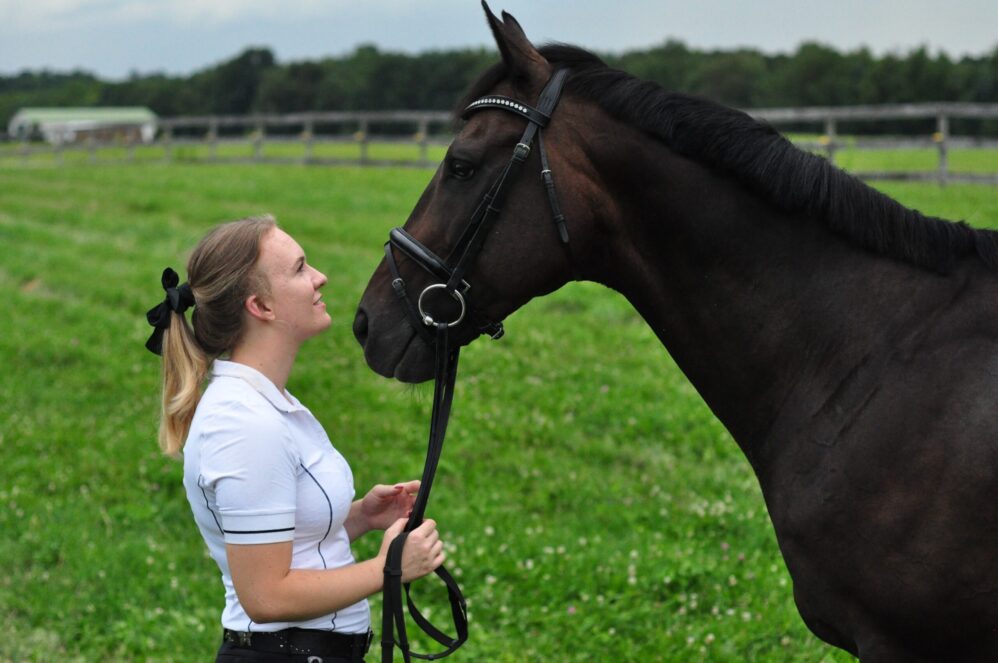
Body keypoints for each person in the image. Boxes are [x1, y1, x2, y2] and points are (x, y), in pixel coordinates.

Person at [145, 215, 445, 662]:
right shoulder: (243, 424)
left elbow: (283, 545)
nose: (319, 277)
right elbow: (266, 596)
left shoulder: (267, 402)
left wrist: (362, 514)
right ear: (261, 307)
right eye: (300, 268)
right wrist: (389, 569)